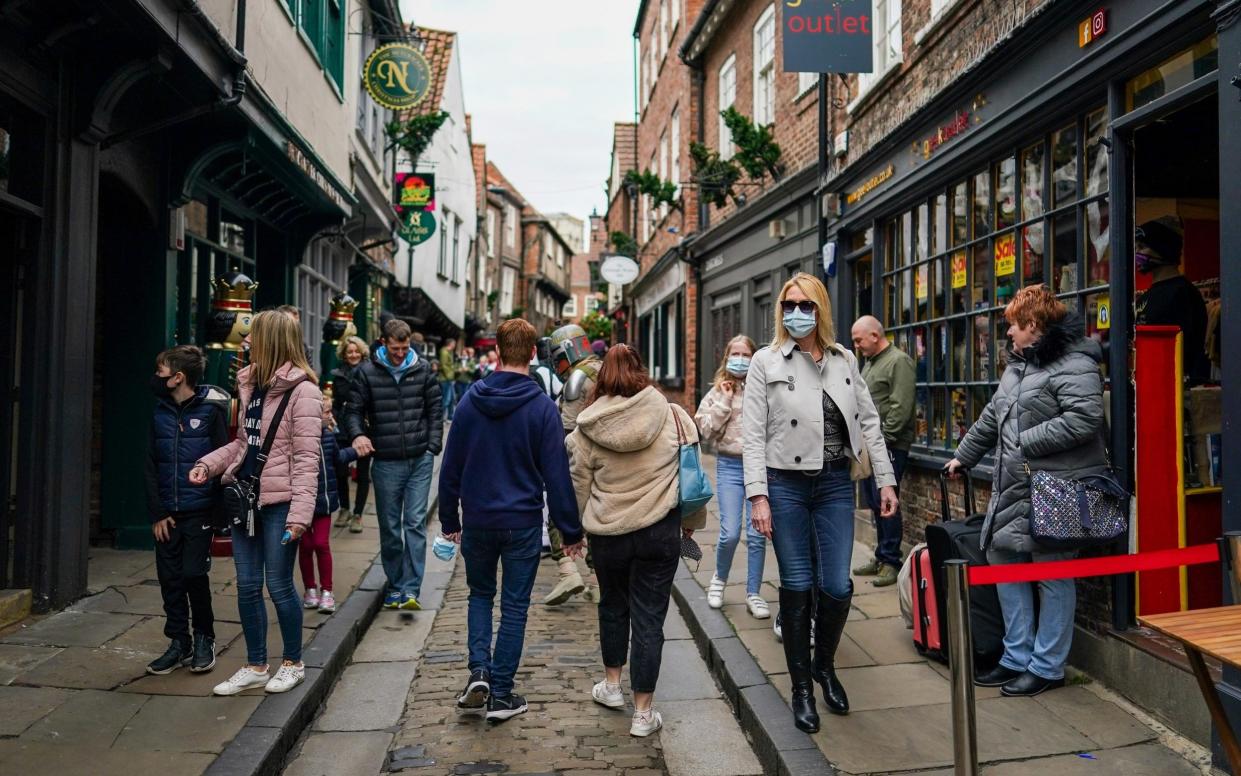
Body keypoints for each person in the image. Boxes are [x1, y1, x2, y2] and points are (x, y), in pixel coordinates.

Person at [742, 272, 898, 734]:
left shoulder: (844, 359)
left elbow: (870, 424)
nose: (797, 313)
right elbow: (751, 436)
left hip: (833, 484)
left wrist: (886, 482)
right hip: (785, 485)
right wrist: (758, 496)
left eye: (806, 305)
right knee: (797, 583)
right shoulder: (764, 362)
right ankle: (802, 689)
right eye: (789, 304)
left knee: (837, 585)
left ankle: (824, 666)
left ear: (821, 309)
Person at [947, 284, 1107, 697]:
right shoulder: (1020, 364)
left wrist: (1025, 441)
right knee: (1004, 561)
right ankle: (1016, 657)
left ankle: (1048, 665)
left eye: (1013, 326)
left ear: (1033, 324)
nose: (1009, 335)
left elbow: (1084, 418)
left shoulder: (1077, 362)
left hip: (1056, 489)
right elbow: (991, 415)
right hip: (1016, 487)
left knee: (1052, 574)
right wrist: (963, 456)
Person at [439, 318, 585, 723]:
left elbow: (451, 467)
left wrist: (450, 517)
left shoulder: (470, 400)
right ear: (534, 355)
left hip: (480, 520)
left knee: (480, 596)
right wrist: (570, 531)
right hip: (521, 522)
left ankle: (479, 672)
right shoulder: (541, 407)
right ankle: (501, 694)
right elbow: (557, 476)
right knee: (515, 607)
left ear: (498, 353)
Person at [566, 344, 705, 738]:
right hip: (659, 533)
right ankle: (643, 714)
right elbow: (689, 474)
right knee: (649, 619)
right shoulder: (673, 415)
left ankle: (611, 687)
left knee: (613, 606)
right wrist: (690, 525)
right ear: (641, 371)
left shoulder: (587, 428)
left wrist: (571, 532)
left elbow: (578, 486)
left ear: (602, 377)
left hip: (608, 534)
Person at [193, 310, 323, 696]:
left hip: (281, 502)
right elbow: (244, 443)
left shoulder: (305, 392)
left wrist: (300, 515)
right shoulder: (251, 386)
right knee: (247, 586)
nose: (245, 342)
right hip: (245, 498)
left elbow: (306, 459)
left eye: (253, 336)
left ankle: (293, 662)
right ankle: (255, 664)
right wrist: (209, 464)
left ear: (271, 341)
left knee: (279, 585)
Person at [345, 318, 443, 610]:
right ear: (383, 343)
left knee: (414, 523)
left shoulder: (423, 370)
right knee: (390, 527)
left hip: (419, 459)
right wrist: (358, 434)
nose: (401, 353)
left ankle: (411, 589)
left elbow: (435, 409)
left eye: (405, 347)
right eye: (395, 348)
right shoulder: (366, 373)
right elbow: (352, 412)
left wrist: (432, 446)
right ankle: (396, 584)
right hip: (386, 461)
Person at [144, 345, 230, 676]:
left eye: (160, 371)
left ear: (178, 377)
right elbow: (150, 464)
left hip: (200, 511)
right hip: (168, 513)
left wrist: (218, 515)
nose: (156, 377)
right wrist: (156, 512)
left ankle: (204, 636)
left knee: (194, 574)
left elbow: (224, 463)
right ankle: (179, 641)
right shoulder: (160, 412)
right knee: (170, 579)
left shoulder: (211, 412)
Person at [695, 335, 769, 618]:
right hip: (729, 466)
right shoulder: (716, 392)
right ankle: (719, 581)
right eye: (734, 353)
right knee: (728, 533)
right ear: (726, 358)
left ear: (754, 357)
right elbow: (706, 432)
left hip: (759, 468)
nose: (740, 358)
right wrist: (725, 400)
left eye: (745, 354)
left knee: (757, 535)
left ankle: (754, 593)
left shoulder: (763, 388)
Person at [850, 315, 916, 587]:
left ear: (875, 336)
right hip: (870, 447)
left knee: (887, 501)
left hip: (889, 446)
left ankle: (891, 561)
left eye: (859, 340)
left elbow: (901, 407)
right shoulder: (871, 363)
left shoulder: (898, 361)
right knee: (876, 503)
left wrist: (883, 440)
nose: (856, 345)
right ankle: (881, 555)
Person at [543, 323, 603, 606]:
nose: (557, 364)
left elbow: (568, 431)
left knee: (560, 513)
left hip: (580, 460)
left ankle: (569, 572)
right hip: (605, 461)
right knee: (595, 520)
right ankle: (598, 581)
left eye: (558, 356)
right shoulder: (603, 368)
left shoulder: (577, 378)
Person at [301, 396, 366, 614]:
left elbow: (337, 458)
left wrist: (356, 451)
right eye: (327, 412)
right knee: (306, 546)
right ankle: (310, 589)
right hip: (303, 502)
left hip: (324, 501)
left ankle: (327, 591)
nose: (331, 416)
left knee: (321, 544)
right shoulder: (299, 438)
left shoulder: (329, 436)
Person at [1134, 217, 1209, 381]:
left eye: (1142, 247)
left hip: (1172, 386)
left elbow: (1188, 348)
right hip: (1147, 381)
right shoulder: (1145, 297)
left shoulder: (1183, 294)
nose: (1137, 254)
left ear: (1162, 249)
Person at [331, 336, 372, 533]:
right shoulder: (338, 374)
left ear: (362, 352)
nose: (353, 354)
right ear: (344, 354)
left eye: (356, 351)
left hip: (364, 427)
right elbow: (337, 403)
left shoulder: (370, 372)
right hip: (342, 428)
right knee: (341, 471)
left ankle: (358, 514)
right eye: (350, 352)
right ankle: (345, 509)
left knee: (363, 473)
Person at [276, 304, 317, 369]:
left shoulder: (302, 344)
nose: (295, 328)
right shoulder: (271, 343)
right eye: (291, 323)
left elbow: (310, 368)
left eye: (297, 324)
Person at [438, 339, 458, 422]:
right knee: (446, 399)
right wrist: (450, 376)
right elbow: (443, 366)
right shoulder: (444, 352)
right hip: (445, 379)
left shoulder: (449, 352)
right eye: (454, 343)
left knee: (451, 399)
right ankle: (441, 418)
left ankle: (450, 417)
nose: (455, 345)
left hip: (448, 378)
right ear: (450, 344)